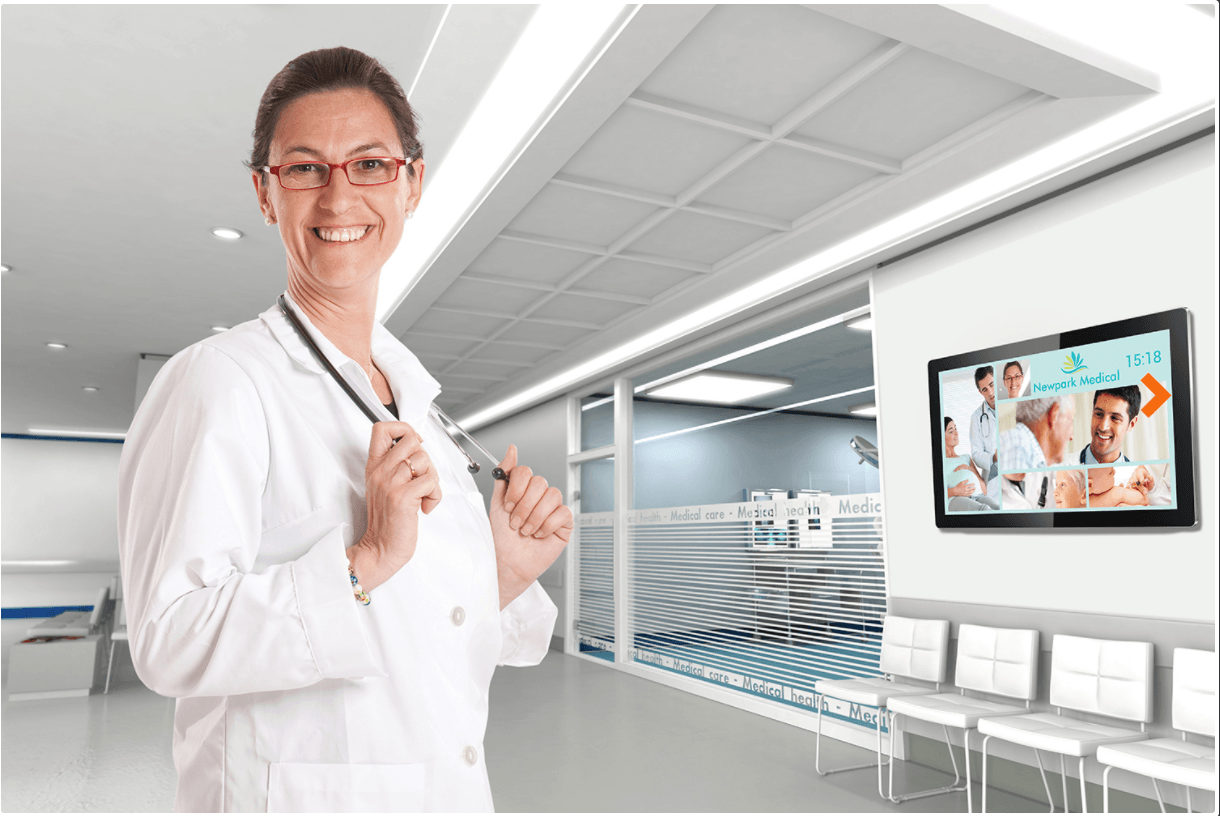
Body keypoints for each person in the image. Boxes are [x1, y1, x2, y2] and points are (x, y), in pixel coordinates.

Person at [118, 47, 569, 813]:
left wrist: (504, 574)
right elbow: (168, 638)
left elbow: (423, 640)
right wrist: (362, 560)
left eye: (368, 165)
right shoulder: (221, 380)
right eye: (303, 169)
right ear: (265, 193)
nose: (338, 197)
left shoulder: (415, 404)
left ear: (411, 182)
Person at [943, 417, 998, 510]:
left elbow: (984, 490)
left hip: (978, 495)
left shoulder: (966, 458)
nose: (956, 433)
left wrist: (971, 469)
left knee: (999, 508)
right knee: (984, 510)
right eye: (951, 431)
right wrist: (955, 491)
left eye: (956, 429)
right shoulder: (940, 461)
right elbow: (934, 494)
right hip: (955, 498)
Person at [1076, 386, 1141, 464]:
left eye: (1115, 418)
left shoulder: (1141, 474)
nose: (1103, 427)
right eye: (1099, 414)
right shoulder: (1061, 466)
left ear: (1131, 424)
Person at [968, 366, 999, 483]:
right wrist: (994, 458)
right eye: (985, 389)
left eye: (991, 384)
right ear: (980, 392)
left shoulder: (1013, 404)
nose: (990, 393)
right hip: (992, 476)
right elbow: (976, 453)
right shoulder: (976, 417)